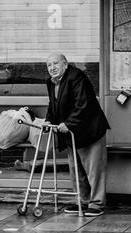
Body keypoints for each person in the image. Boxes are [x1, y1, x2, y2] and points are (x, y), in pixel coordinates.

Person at [45, 53, 110, 217]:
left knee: (93, 169)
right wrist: (48, 120)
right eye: (48, 65)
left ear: (65, 64)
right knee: (76, 169)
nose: (52, 68)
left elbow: (84, 104)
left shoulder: (76, 77)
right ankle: (82, 201)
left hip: (90, 130)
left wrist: (69, 123)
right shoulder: (52, 82)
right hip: (73, 133)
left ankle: (97, 203)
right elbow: (53, 104)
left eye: (55, 63)